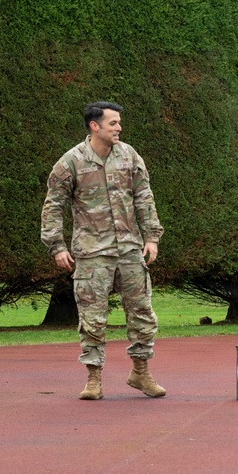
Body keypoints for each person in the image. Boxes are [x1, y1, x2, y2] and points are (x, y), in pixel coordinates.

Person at [41, 101, 166, 400]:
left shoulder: (129, 155)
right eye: (113, 123)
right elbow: (53, 205)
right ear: (94, 126)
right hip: (92, 252)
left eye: (119, 123)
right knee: (92, 318)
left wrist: (152, 237)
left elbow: (144, 197)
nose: (119, 128)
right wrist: (56, 245)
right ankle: (94, 378)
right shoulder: (71, 162)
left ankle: (140, 372)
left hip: (130, 249)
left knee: (142, 313)